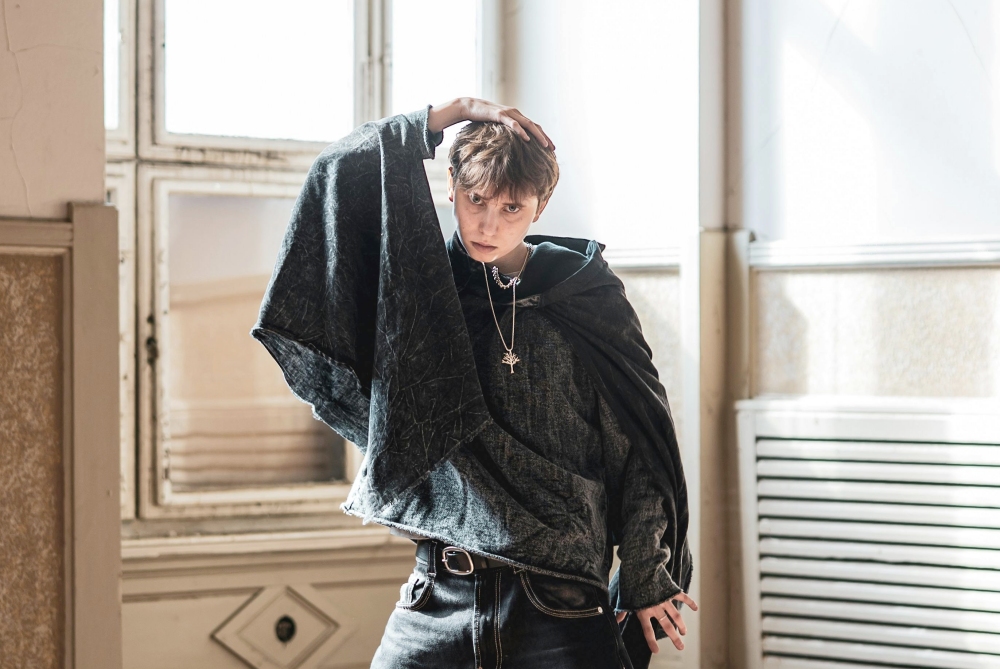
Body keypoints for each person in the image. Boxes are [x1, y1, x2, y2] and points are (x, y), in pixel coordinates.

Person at [251, 97, 695, 669]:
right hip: (436, 593)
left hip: (557, 600)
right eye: (475, 199)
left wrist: (645, 572)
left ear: (540, 206)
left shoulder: (589, 298)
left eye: (512, 207)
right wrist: (447, 114)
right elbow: (335, 172)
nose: (488, 224)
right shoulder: (419, 297)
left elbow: (641, 446)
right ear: (452, 189)